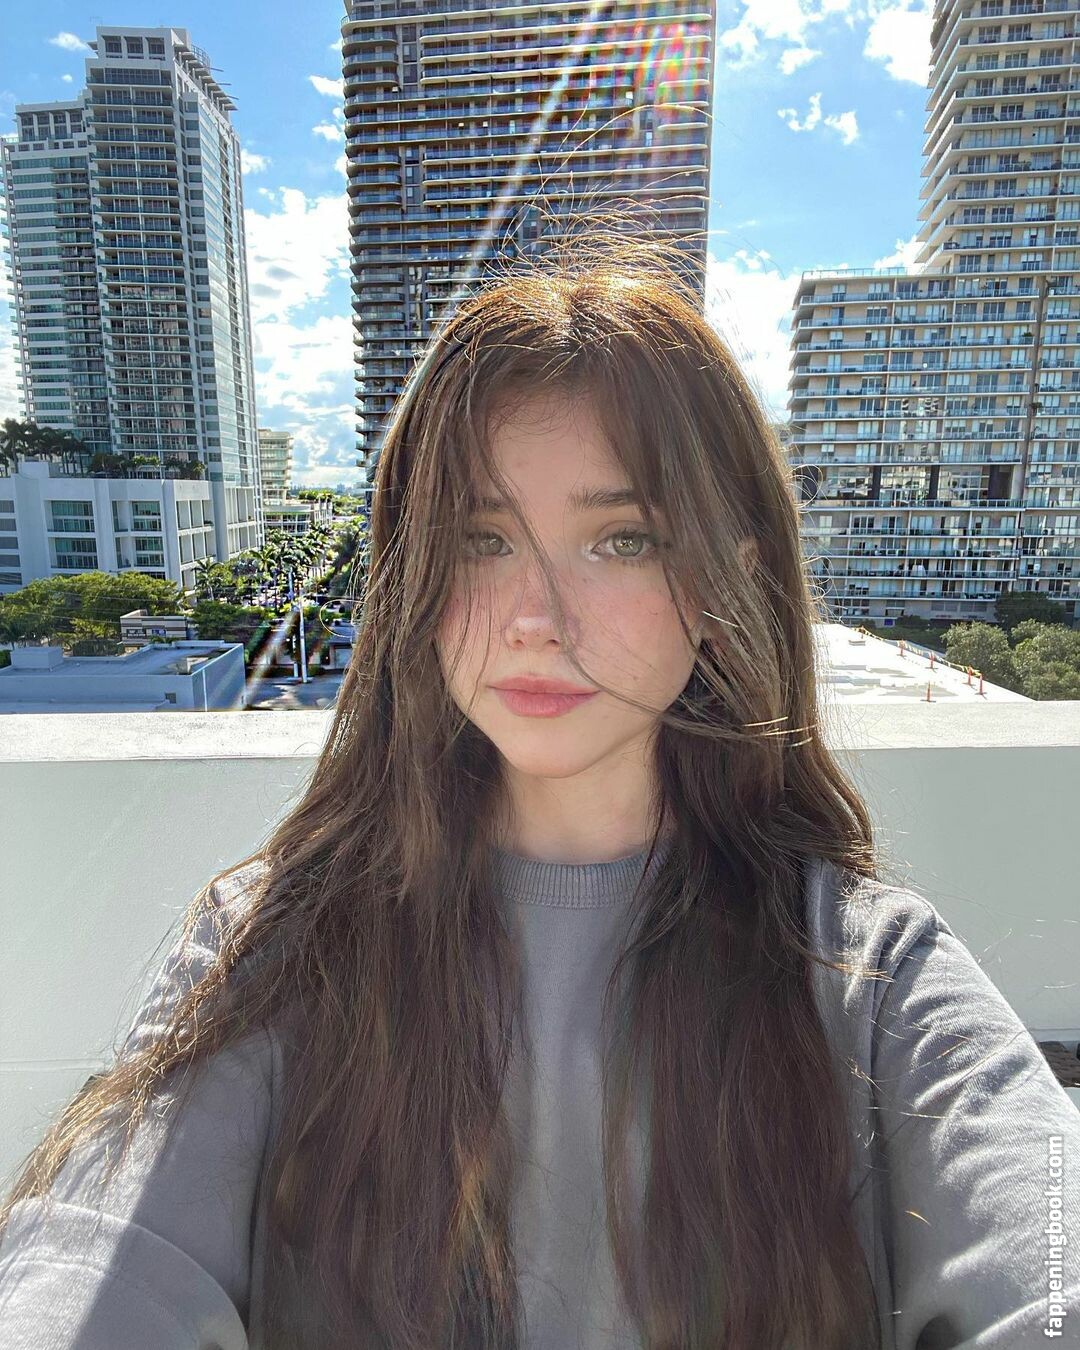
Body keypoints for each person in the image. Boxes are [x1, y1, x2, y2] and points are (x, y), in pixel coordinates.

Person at [1, 231, 1078, 1350]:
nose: (533, 619)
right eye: (481, 539)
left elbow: (1045, 1261)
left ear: (727, 579)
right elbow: (93, 1262)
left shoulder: (868, 970)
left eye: (622, 540)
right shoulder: (271, 944)